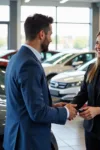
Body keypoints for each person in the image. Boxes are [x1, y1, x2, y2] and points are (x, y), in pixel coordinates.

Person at [3, 14, 77, 150]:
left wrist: (53, 107)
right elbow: (37, 113)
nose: (50, 39)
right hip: (28, 141)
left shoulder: (16, 58)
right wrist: (65, 112)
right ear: (41, 34)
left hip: (17, 137)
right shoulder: (29, 64)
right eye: (50, 34)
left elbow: (25, 103)